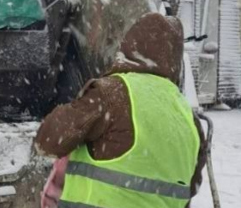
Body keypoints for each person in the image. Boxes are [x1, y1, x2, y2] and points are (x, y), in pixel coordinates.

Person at [35, 12, 207, 208]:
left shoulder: (113, 93)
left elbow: (49, 141)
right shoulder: (188, 117)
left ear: (128, 46)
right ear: (175, 61)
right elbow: (190, 186)